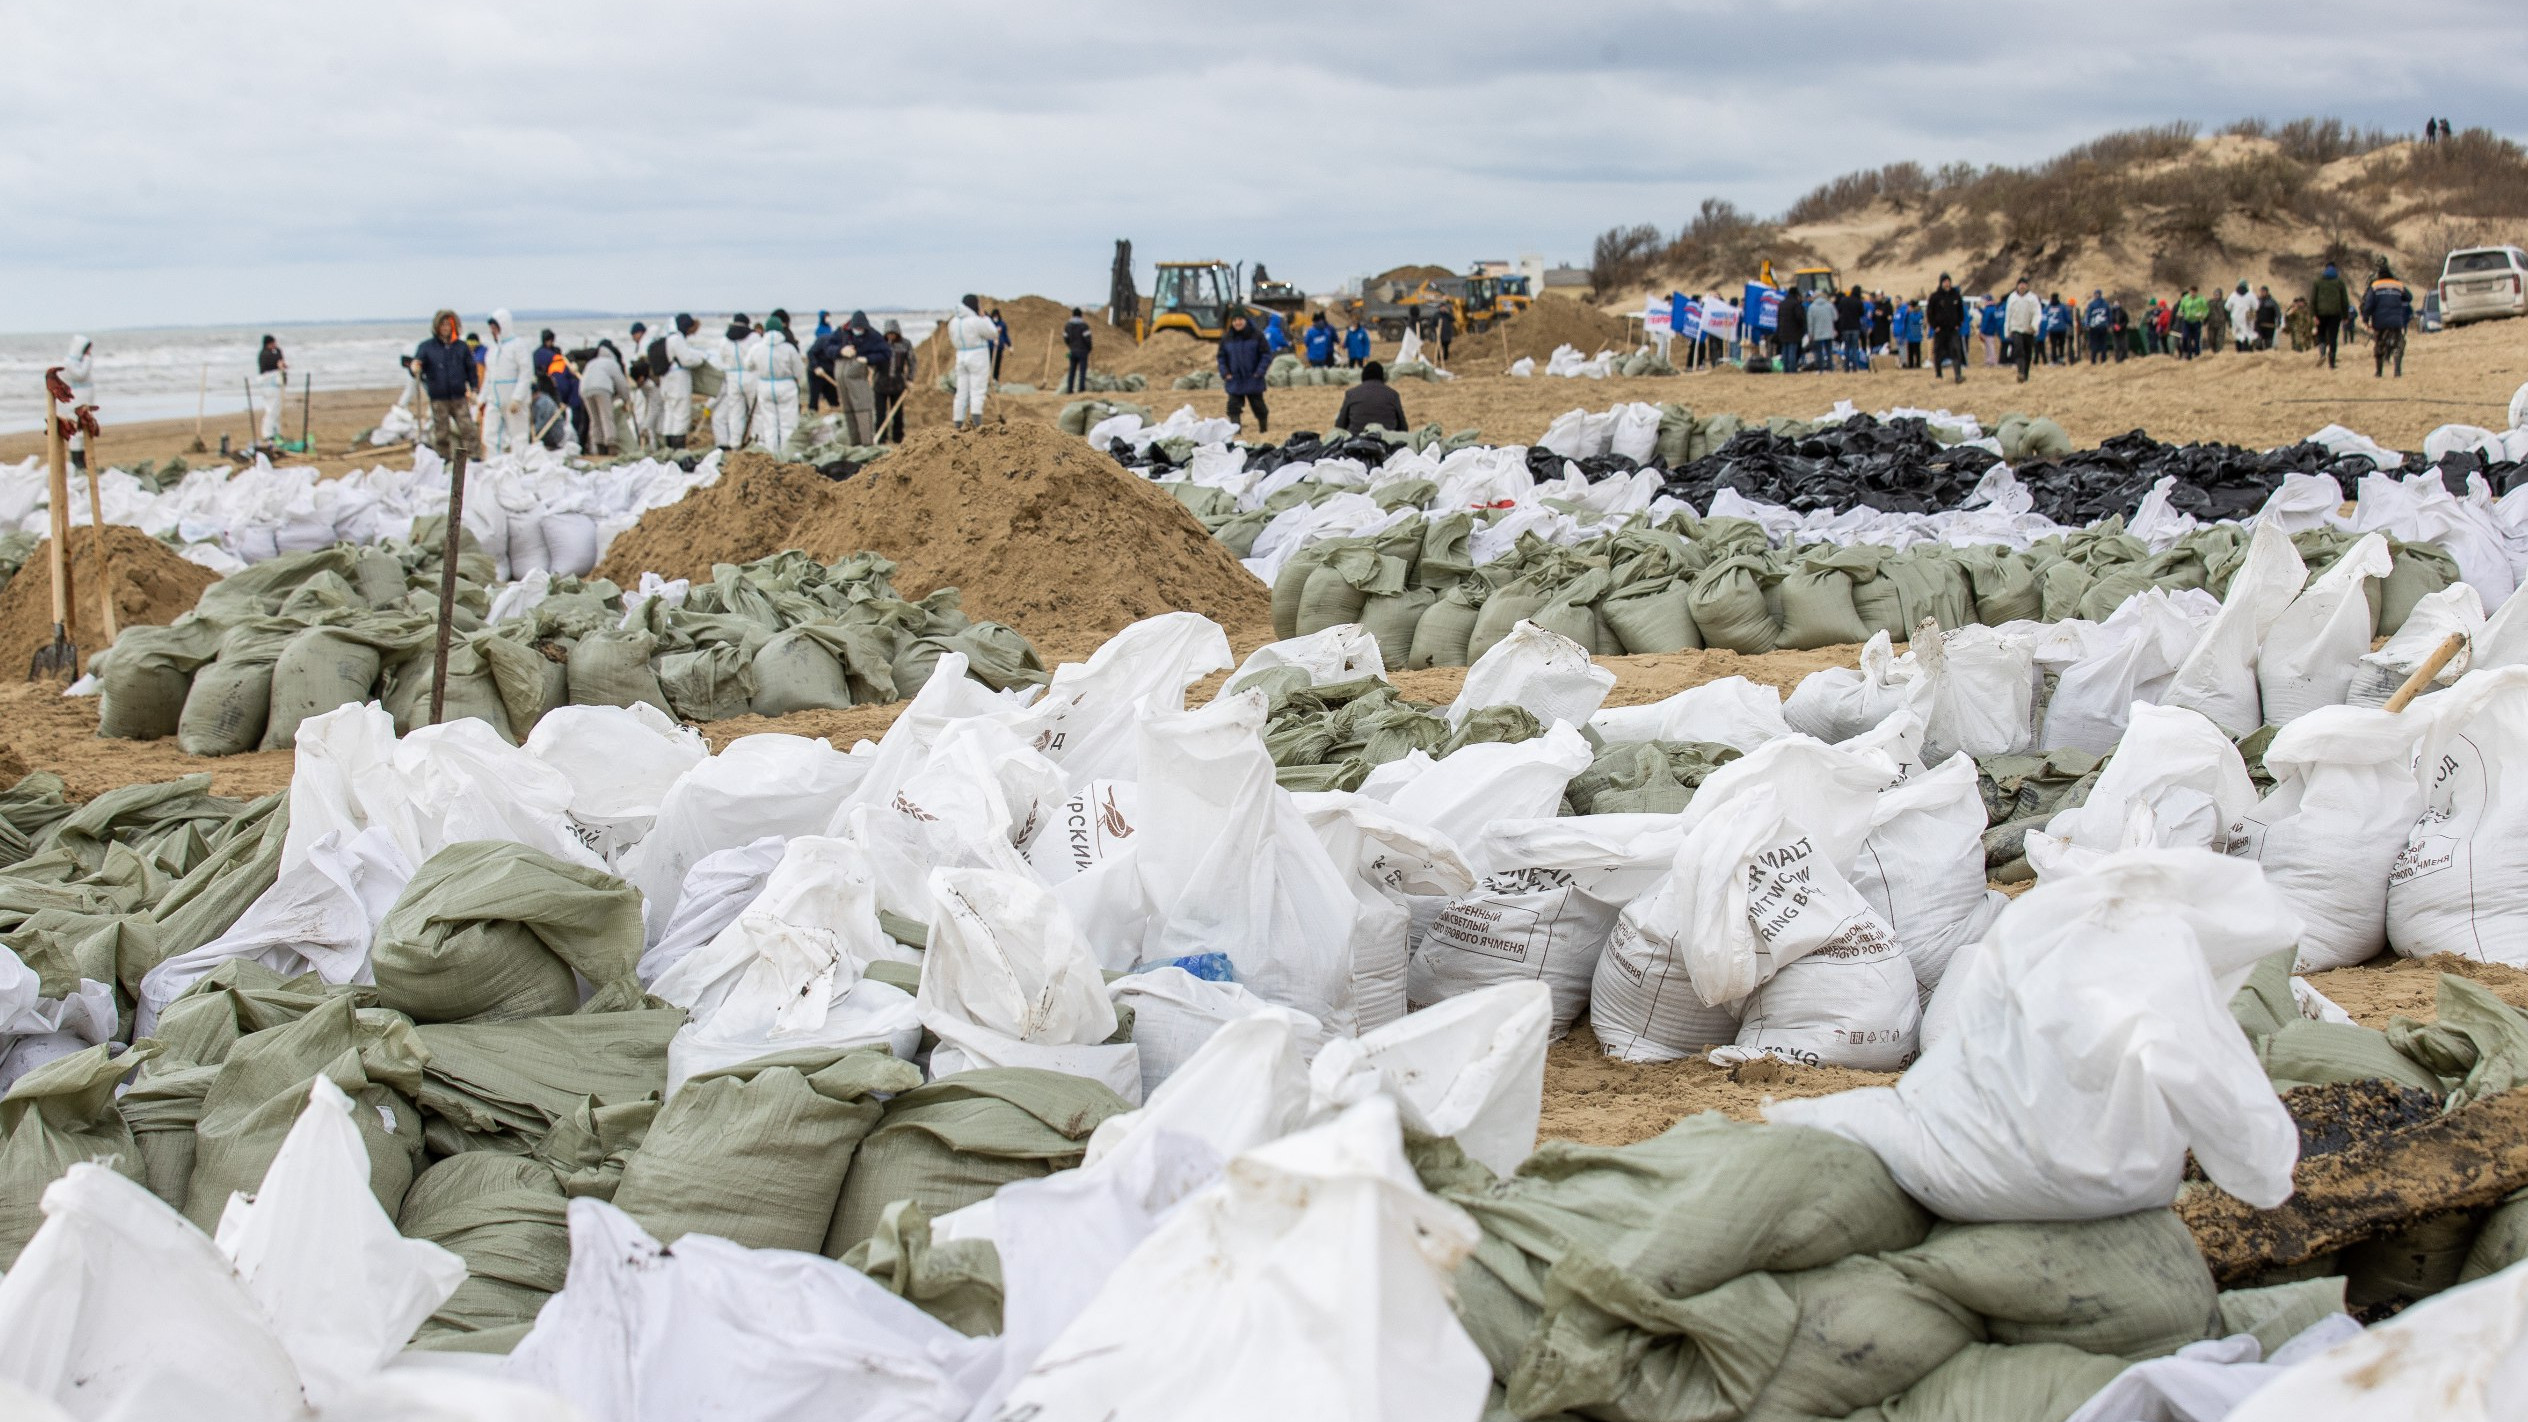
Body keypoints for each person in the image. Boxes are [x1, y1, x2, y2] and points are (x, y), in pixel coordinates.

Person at [410, 310, 479, 463]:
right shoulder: (427, 347)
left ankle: (474, 458)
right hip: (438, 397)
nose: (445, 327)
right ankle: (444, 460)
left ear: (454, 326)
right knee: (441, 433)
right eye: (443, 324)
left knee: (468, 428)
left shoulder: (461, 347)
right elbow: (418, 362)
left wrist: (474, 389)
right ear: (437, 326)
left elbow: (471, 369)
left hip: (459, 396)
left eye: (449, 324)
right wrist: (415, 366)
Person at [475, 311, 533, 455]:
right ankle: (494, 467)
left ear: (503, 326)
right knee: (490, 435)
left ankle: (519, 465)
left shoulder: (518, 346)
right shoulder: (493, 350)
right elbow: (489, 377)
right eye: (491, 328)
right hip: (495, 400)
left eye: (495, 327)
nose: (493, 331)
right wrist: (481, 400)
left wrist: (518, 398)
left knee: (518, 436)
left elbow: (526, 372)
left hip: (513, 401)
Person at [747, 315, 805, 448]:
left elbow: (748, 365)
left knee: (769, 424)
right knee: (788, 424)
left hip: (765, 386)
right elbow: (799, 370)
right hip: (786, 386)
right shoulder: (788, 348)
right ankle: (786, 453)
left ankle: (772, 453)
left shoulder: (757, 348)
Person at [1216, 310, 1271, 433]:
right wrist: (1225, 373)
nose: (1237, 323)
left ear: (1245, 320)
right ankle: (1237, 432)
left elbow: (1266, 355)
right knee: (1233, 408)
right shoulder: (1227, 338)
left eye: (1240, 319)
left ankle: (1263, 429)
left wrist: (1259, 372)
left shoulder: (1257, 335)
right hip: (1235, 380)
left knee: (1259, 407)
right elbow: (1221, 358)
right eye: (1235, 320)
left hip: (1253, 378)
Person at [949, 295, 998, 430]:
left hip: (961, 356)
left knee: (961, 392)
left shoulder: (953, 322)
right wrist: (985, 317)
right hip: (977, 356)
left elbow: (952, 339)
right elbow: (993, 333)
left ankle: (957, 424)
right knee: (977, 391)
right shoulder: (976, 321)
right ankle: (977, 424)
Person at [2362, 258, 2414, 379]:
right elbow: (2409, 297)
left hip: (2379, 321)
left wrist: (2365, 319)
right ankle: (2397, 370)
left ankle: (2379, 372)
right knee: (2399, 343)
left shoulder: (2374, 286)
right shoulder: (2397, 284)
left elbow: (2368, 305)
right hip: (2396, 321)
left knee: (2379, 344)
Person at [710, 315, 755, 450]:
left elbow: (722, 357)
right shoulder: (753, 337)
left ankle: (735, 444)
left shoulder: (724, 339)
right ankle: (755, 440)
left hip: (733, 376)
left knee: (735, 412)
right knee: (754, 410)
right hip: (750, 374)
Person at [579, 339, 628, 456]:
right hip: (602, 388)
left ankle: (599, 449)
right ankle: (611, 448)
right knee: (607, 417)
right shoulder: (612, 363)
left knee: (595, 420)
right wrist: (626, 399)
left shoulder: (592, 362)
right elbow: (621, 384)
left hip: (584, 389)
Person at [1334, 360, 1407, 434]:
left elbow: (1340, 425)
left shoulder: (1351, 394)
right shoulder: (1393, 394)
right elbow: (1403, 427)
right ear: (1382, 376)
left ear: (1363, 375)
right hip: (1386, 441)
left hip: (1357, 440)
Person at [59, 336, 94, 469]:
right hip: (76, 400)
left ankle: (83, 459)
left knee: (84, 429)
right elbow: (80, 375)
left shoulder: (79, 361)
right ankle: (77, 461)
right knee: (76, 430)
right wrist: (87, 359)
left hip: (84, 400)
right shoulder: (69, 362)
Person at [2310, 263, 2354, 369]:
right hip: (2335, 313)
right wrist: (2345, 316)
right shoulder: (2339, 282)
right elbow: (2344, 301)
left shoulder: (2317, 282)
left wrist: (2313, 315)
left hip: (2320, 313)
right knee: (2333, 336)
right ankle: (2332, 361)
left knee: (2321, 334)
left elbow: (2313, 300)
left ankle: (2322, 353)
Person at [879, 320, 914, 440]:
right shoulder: (880, 344)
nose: (891, 336)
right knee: (880, 413)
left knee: (898, 414)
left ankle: (898, 437)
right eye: (888, 334)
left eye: (893, 333)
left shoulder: (905, 344)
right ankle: (881, 438)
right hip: (880, 383)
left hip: (897, 383)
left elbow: (912, 362)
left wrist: (910, 379)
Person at [1927, 275, 1966, 384]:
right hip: (1940, 330)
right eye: (1944, 281)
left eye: (1948, 281)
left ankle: (1958, 375)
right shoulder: (1935, 297)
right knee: (1938, 352)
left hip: (1953, 329)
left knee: (1955, 350)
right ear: (1941, 283)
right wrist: (1935, 326)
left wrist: (1959, 323)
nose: (1947, 283)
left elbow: (1961, 311)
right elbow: (1930, 313)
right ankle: (1938, 374)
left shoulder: (1956, 295)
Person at [2003, 279, 2044, 382]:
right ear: (2017, 286)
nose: (2022, 287)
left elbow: (2037, 313)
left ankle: (2025, 374)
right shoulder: (2012, 298)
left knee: (2027, 352)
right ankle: (2020, 372)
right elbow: (2008, 315)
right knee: (2019, 349)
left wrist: (2034, 325)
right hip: (2016, 328)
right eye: (2020, 285)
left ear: (2027, 286)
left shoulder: (2032, 298)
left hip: (2028, 330)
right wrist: (2007, 330)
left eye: (2024, 285)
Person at [254, 333, 288, 448]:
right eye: (273, 343)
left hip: (269, 385)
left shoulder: (267, 354)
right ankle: (268, 434)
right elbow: (276, 362)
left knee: (274, 410)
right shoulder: (265, 355)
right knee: (272, 410)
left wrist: (278, 351)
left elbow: (279, 360)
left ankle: (275, 432)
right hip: (270, 386)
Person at [1777, 285, 1807, 374]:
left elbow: (1778, 318)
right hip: (1793, 332)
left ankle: (1785, 369)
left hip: (1783, 332)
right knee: (1792, 352)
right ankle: (1792, 370)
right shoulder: (1795, 304)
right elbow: (1800, 318)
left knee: (1784, 352)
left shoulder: (1781, 304)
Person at [1835, 285, 1867, 371]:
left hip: (1845, 327)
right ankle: (1855, 367)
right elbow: (1862, 313)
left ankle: (1846, 368)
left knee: (1846, 348)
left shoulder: (1844, 300)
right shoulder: (1858, 301)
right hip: (1855, 327)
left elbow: (1838, 310)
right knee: (1854, 348)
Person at [1063, 307, 1095, 392]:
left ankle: (1069, 389)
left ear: (1073, 315)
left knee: (1072, 371)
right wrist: (1089, 348)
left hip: (1072, 351)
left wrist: (1070, 345)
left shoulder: (1068, 325)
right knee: (1082, 371)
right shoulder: (1084, 326)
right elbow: (1087, 339)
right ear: (1081, 315)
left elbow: (1065, 338)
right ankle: (1081, 389)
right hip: (1082, 351)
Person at [2174, 287, 2209, 359]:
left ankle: (2197, 354)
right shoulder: (2185, 299)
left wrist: (2202, 314)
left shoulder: (2201, 300)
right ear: (2189, 292)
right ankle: (2186, 352)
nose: (2192, 294)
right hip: (2187, 321)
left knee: (2196, 339)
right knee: (2185, 337)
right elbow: (2181, 307)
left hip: (2196, 321)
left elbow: (2206, 309)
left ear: (2196, 292)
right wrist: (2180, 312)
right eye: (2191, 292)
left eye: (2194, 292)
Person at [2225, 282, 2258, 352]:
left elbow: (2227, 307)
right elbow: (2256, 306)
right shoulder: (2250, 295)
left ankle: (2239, 351)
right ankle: (2247, 351)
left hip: (2236, 318)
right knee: (2247, 334)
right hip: (2248, 317)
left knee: (2238, 335)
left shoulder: (2233, 295)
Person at [2082, 290, 2112, 364]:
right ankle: (2103, 360)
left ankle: (2093, 360)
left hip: (2094, 327)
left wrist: (2087, 324)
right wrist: (2109, 324)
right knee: (2103, 343)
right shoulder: (2105, 304)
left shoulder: (2091, 304)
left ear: (2095, 295)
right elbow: (2109, 315)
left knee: (2094, 344)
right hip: (2103, 326)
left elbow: (2088, 315)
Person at [1894, 299, 1925, 368]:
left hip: (1915, 332)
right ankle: (1911, 364)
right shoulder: (1908, 313)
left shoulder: (1918, 312)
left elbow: (1916, 320)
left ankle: (1917, 364)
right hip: (1910, 333)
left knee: (1916, 350)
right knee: (1910, 350)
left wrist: (1910, 313)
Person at [1976, 295, 2004, 366]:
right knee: (1989, 345)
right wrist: (1980, 310)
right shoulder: (1992, 308)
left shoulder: (1988, 309)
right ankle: (1989, 360)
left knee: (1989, 346)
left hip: (1988, 330)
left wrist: (1982, 330)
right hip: (1992, 330)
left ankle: (1991, 360)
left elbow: (1986, 320)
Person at [2255, 286, 2281, 352]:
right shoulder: (2257, 301)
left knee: (2268, 343)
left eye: (2263, 291)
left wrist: (2278, 322)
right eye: (2261, 291)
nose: (2261, 293)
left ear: (2266, 292)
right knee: (2258, 342)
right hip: (2259, 325)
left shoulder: (2272, 302)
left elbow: (2278, 313)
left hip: (2269, 326)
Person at [988, 307, 1011, 381]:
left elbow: (1005, 336)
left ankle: (995, 380)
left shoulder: (1002, 324)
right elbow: (987, 335)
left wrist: (1009, 345)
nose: (995, 318)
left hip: (999, 348)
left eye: (996, 316)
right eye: (994, 316)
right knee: (990, 364)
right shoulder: (989, 323)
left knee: (997, 365)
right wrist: (992, 341)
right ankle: (989, 380)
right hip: (991, 347)